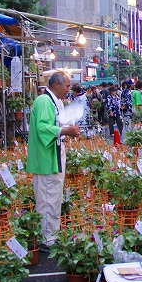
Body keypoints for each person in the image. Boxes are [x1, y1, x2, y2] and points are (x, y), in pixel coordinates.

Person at [27, 71, 81, 252]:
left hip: (52, 156)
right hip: (46, 159)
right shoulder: (44, 101)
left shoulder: (52, 100)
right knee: (47, 198)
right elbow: (42, 127)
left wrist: (66, 129)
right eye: (67, 86)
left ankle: (51, 234)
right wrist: (65, 131)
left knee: (52, 197)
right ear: (57, 85)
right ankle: (47, 238)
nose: (69, 89)